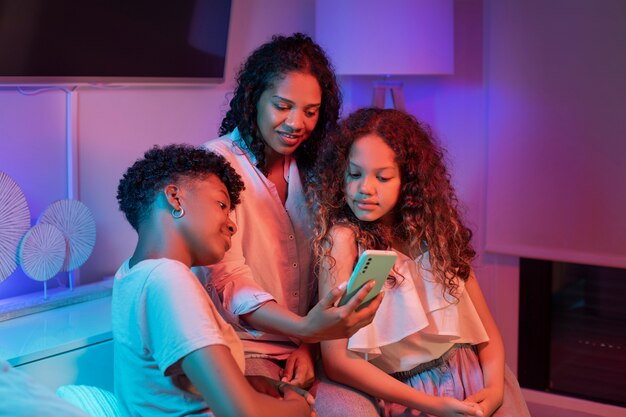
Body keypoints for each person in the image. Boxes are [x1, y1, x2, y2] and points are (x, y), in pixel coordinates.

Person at [198, 33, 383, 415]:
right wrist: (304, 330)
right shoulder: (214, 166)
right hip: (247, 348)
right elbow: (228, 281)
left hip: (310, 345)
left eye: (311, 111)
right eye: (282, 106)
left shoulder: (314, 169)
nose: (297, 123)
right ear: (254, 99)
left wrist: (308, 343)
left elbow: (323, 272)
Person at [311, 108, 531, 417]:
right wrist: (432, 405)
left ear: (408, 181)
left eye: (383, 177)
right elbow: (336, 361)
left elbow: (488, 334)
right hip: (410, 395)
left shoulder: (435, 232)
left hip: (470, 375)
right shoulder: (343, 240)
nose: (365, 189)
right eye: (354, 173)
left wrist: (494, 390)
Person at [113, 144, 316, 417]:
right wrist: (298, 409)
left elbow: (169, 389)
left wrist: (252, 384)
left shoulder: (130, 275)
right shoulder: (169, 279)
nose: (232, 224)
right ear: (175, 197)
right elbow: (244, 413)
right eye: (222, 205)